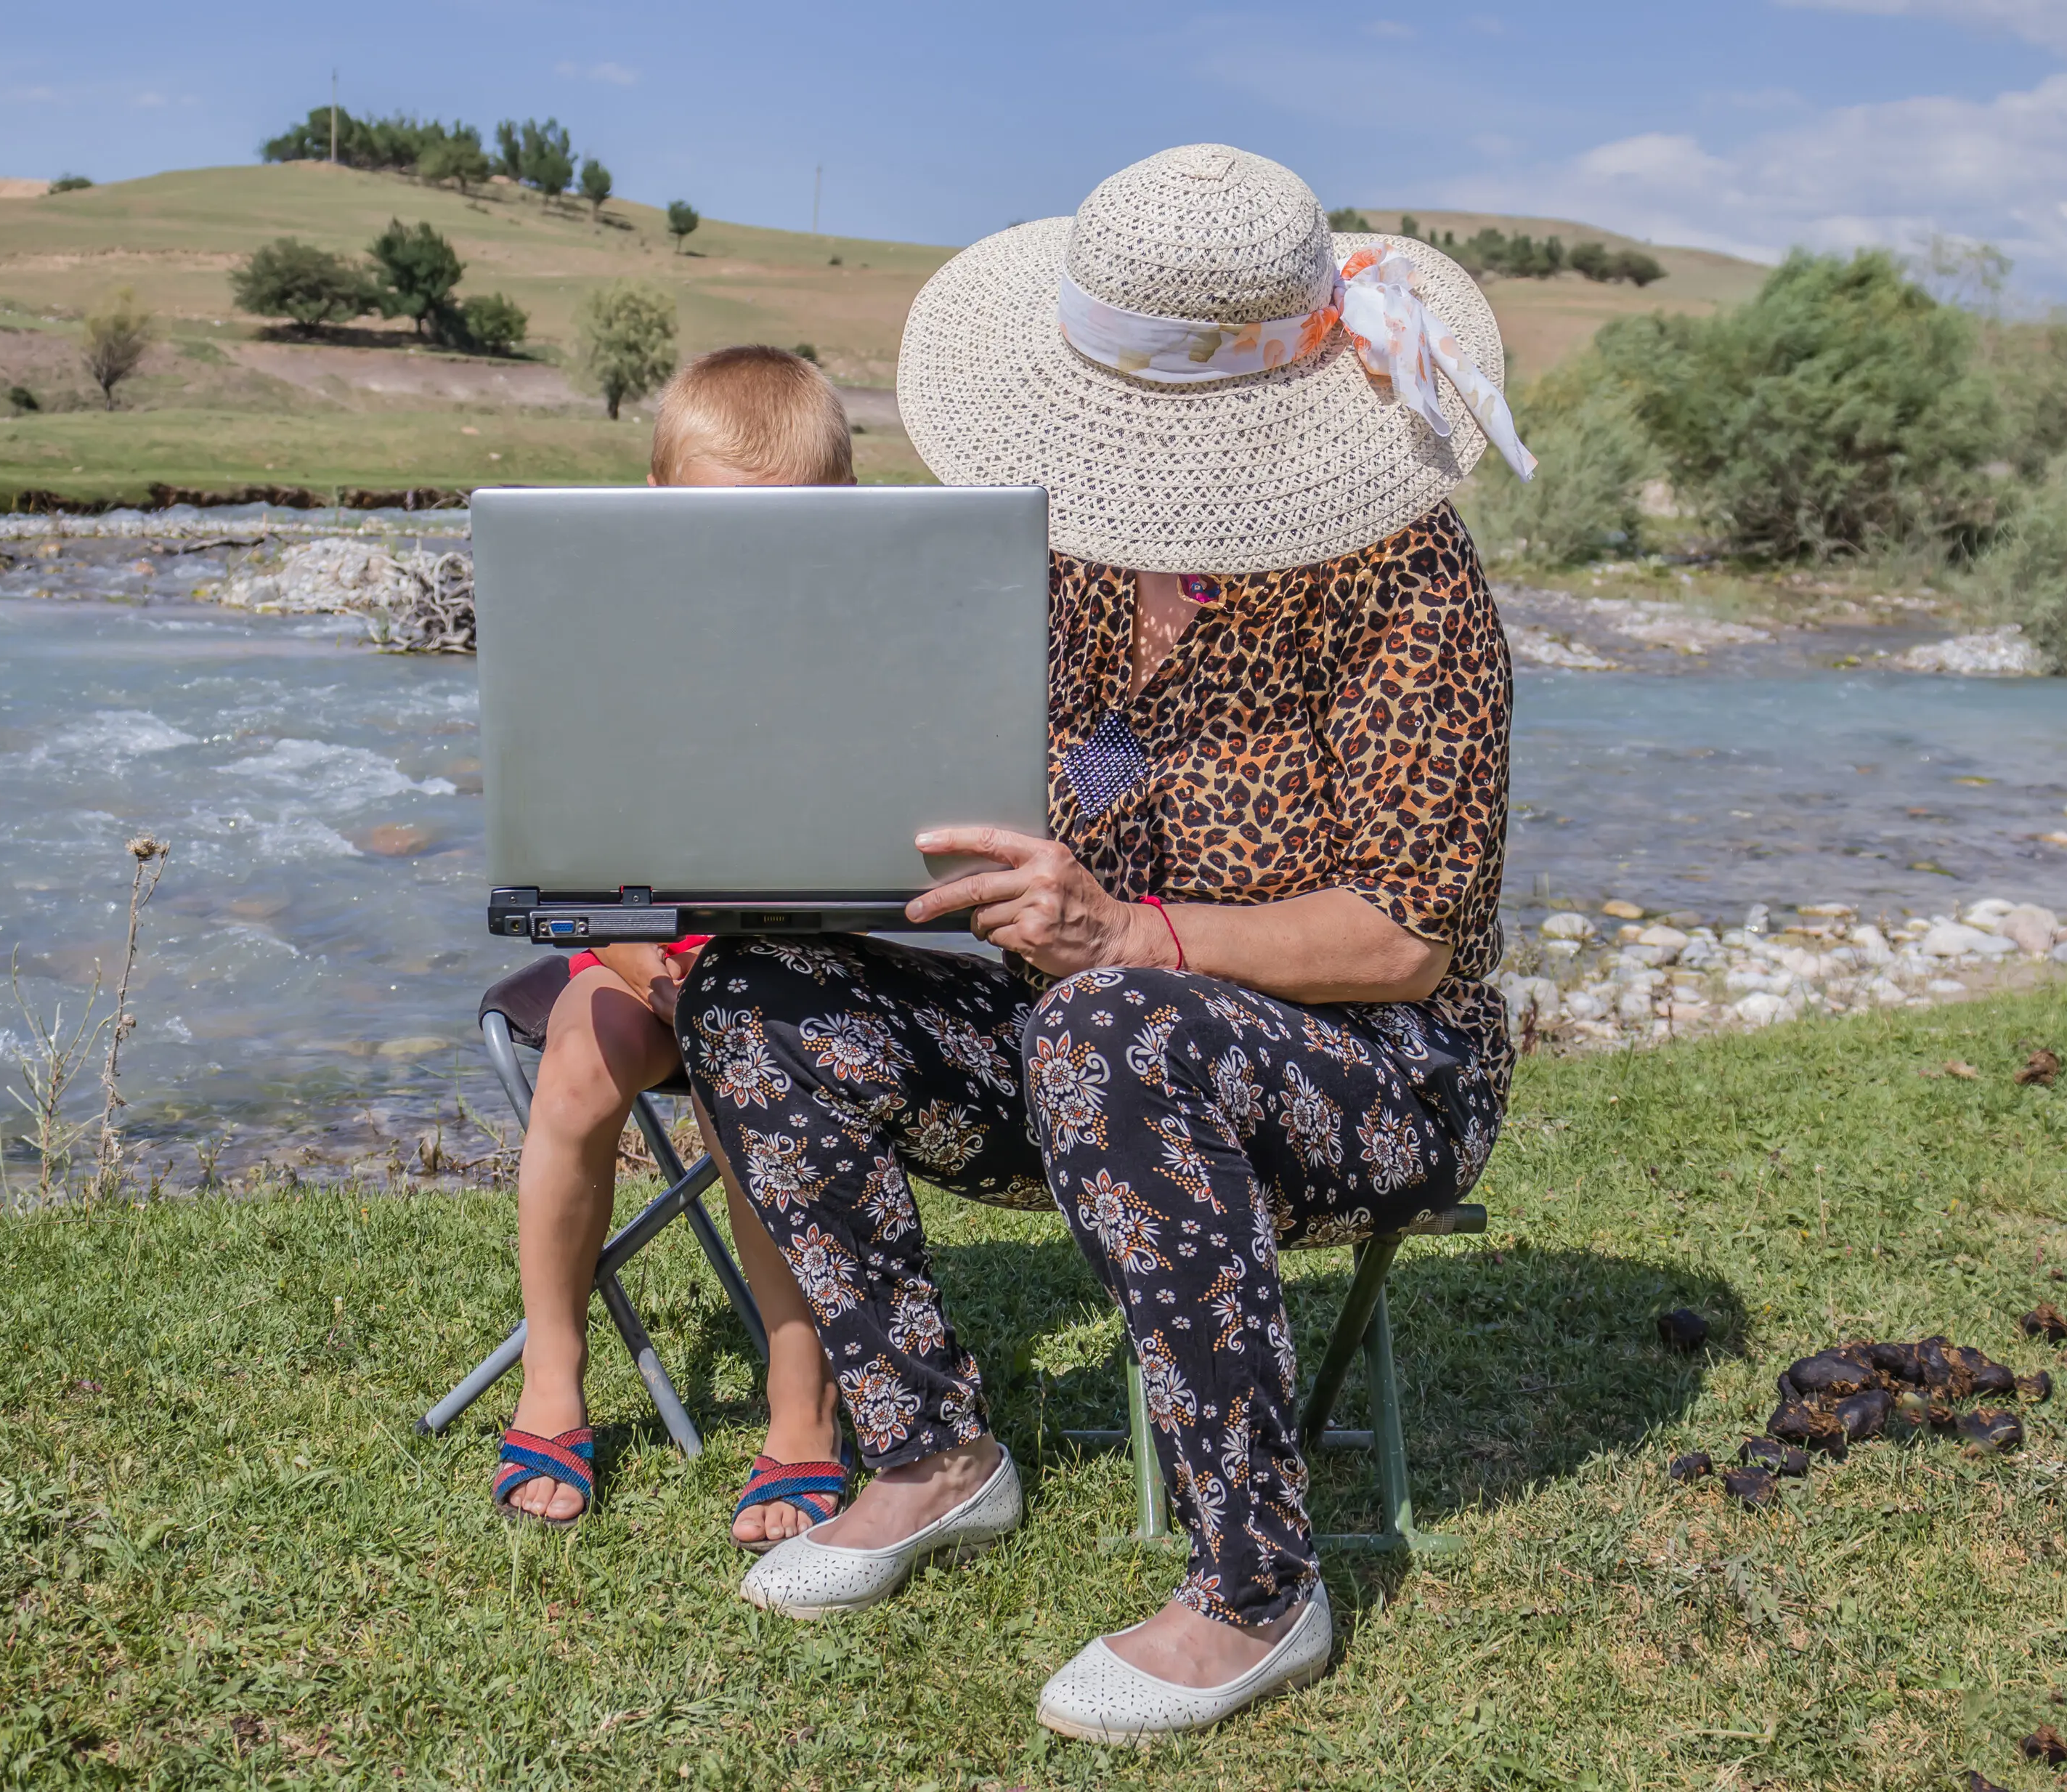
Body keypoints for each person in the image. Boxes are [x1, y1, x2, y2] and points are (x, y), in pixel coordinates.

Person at [675, 145, 1533, 1740]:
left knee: (1110, 1019)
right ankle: (931, 1453)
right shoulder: (1054, 559)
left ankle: (1255, 1588)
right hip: (1079, 1030)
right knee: (750, 997)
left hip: (1370, 1075)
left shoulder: (1403, 583)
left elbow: (1407, 938)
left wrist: (1128, 931)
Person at [493, 346, 861, 1550]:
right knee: (578, 1064)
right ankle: (554, 1379)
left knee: (749, 1070)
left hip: (797, 958)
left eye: (783, 535)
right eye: (713, 530)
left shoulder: (856, 651)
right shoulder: (606, 639)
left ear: (843, 521)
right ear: (655, 505)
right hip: (637, 944)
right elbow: (569, 863)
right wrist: (663, 968)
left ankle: (799, 1410)